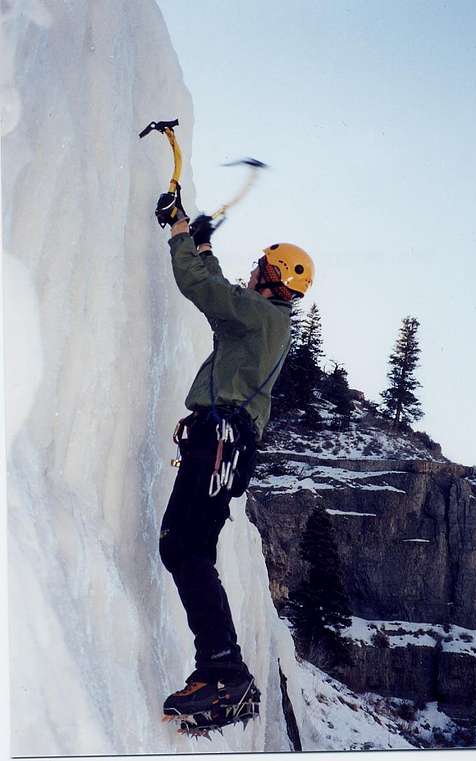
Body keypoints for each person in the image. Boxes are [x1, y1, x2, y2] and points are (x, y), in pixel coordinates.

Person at [155, 188, 314, 720]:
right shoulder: (264, 322)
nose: (253, 273)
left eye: (260, 268)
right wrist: (202, 245)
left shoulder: (262, 316)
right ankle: (223, 672)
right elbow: (223, 296)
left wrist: (181, 234)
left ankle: (226, 675)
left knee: (183, 546)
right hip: (228, 443)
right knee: (189, 546)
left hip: (219, 438)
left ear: (272, 278)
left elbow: (204, 291)